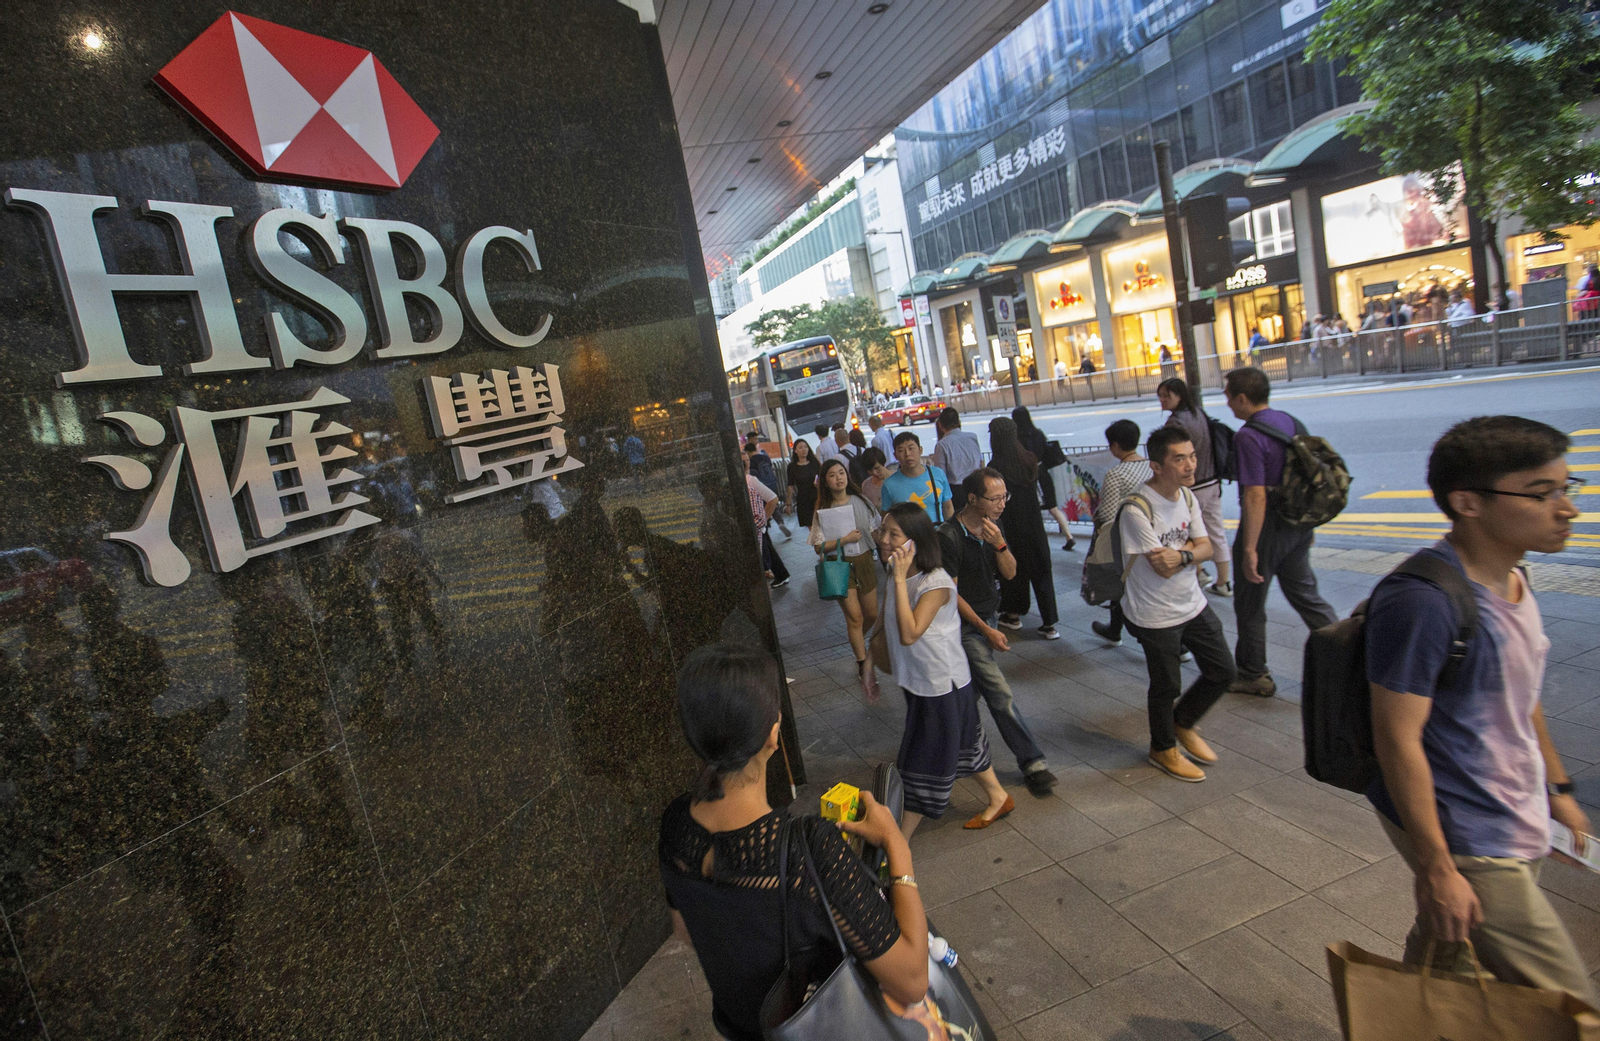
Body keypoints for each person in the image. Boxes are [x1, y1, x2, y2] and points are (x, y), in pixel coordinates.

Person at [1366, 416, 1595, 1003]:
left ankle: (1400, 1015)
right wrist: (1438, 869)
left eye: (1569, 489)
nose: (1566, 508)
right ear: (1467, 502)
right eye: (1542, 494)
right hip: (1470, 832)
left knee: (1446, 954)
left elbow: (1523, 694)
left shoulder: (1513, 575)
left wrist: (1558, 790)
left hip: (1516, 810)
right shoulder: (1423, 602)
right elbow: (1397, 739)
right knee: (1571, 1009)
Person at [659, 644, 934, 1041]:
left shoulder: (675, 827)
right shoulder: (808, 850)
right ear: (773, 736)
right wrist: (897, 845)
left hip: (743, 1027)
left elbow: (685, 931)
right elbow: (912, 982)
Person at [879, 502, 1014, 837]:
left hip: (941, 684)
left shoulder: (934, 583)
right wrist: (869, 663)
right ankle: (998, 796)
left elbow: (909, 633)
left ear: (916, 541)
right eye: (882, 531)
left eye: (893, 534)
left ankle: (899, 841)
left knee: (924, 760)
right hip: (924, 680)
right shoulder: (900, 572)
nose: (883, 539)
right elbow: (886, 624)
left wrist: (897, 580)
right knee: (965, 740)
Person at [1119, 427, 1236, 782]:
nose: (1190, 465)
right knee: (1166, 685)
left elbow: (1209, 549)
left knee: (1223, 671)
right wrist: (1190, 552)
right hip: (1154, 612)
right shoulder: (1136, 508)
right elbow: (1163, 566)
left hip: (1192, 602)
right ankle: (1162, 748)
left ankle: (1183, 722)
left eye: (1192, 456)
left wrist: (1183, 554)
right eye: (1179, 458)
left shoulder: (1186, 497)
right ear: (1156, 465)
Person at [939, 468, 1059, 797]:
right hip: (966, 626)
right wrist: (985, 631)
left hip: (989, 617)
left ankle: (945, 750)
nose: (1002, 504)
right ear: (973, 499)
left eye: (1004, 496)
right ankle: (1033, 763)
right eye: (995, 498)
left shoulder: (994, 526)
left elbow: (1010, 573)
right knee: (999, 693)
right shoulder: (948, 536)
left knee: (966, 696)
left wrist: (1000, 545)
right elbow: (951, 595)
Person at [1224, 367, 1337, 697]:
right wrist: (1308, 527)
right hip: (1297, 524)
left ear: (1243, 398)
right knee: (1305, 594)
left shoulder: (1247, 436)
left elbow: (1255, 494)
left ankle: (1252, 673)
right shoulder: (1290, 421)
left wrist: (1249, 548)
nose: (1228, 404)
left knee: (1250, 602)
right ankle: (1349, 650)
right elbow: (1308, 477)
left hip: (1267, 526)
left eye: (1230, 397)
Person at [809, 459, 881, 701]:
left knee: (871, 614)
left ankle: (858, 640)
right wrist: (844, 540)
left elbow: (875, 529)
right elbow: (818, 545)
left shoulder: (861, 500)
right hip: (838, 565)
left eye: (841, 473)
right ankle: (863, 663)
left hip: (864, 561)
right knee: (855, 617)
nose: (838, 478)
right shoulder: (823, 506)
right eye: (832, 474)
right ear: (825, 480)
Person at [989, 417, 1060, 640]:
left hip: (1010, 525)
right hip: (1034, 524)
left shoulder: (995, 467)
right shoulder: (1029, 458)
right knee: (1041, 569)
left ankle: (1013, 615)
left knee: (1012, 570)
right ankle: (1049, 624)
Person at [1157, 378, 1230, 596]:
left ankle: (1199, 572)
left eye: (1166, 396)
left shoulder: (1175, 423)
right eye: (1160, 396)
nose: (1162, 400)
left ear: (1178, 395)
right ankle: (1224, 582)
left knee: (1187, 532)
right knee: (1216, 532)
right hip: (1212, 481)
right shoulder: (1199, 413)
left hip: (1192, 486)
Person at [1091, 420, 1150, 647]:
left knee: (1123, 583)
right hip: (1153, 534)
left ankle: (1120, 631)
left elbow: (1107, 513)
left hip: (1126, 539)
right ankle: (1114, 629)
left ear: (1115, 446)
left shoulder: (1116, 473)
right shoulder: (1150, 466)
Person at [1012, 406, 1076, 551]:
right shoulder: (1038, 433)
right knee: (1053, 507)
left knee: (1031, 508)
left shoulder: (1017, 437)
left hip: (1028, 474)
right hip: (1042, 472)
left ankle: (1036, 539)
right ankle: (1069, 536)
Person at [879, 431, 954, 522]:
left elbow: (948, 507)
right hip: (908, 535)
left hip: (937, 533)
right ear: (895, 456)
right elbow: (886, 517)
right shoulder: (889, 484)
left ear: (920, 450)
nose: (907, 454)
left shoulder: (937, 474)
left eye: (911, 448)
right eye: (901, 450)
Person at [743, 449, 788, 589]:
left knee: (766, 550)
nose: (747, 464)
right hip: (759, 523)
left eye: (747, 460)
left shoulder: (750, 480)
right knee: (768, 548)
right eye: (744, 462)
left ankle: (780, 575)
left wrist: (763, 519)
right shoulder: (747, 479)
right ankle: (781, 575)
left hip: (758, 523)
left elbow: (773, 499)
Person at [930, 407, 982, 512]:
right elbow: (980, 462)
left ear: (940, 425)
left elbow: (941, 475)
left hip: (956, 492)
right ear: (958, 422)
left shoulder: (942, 445)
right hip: (977, 486)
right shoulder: (973, 437)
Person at [745, 440, 789, 538]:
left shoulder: (751, 462)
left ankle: (766, 526)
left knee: (763, 507)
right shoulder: (765, 457)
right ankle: (780, 522)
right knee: (773, 504)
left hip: (761, 486)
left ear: (747, 452)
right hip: (772, 484)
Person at [785, 438, 821, 528]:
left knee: (821, 525)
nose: (804, 449)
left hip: (816, 497)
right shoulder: (792, 467)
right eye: (800, 447)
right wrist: (788, 504)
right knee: (811, 528)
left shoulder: (814, 463)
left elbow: (822, 477)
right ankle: (816, 543)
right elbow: (790, 485)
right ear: (795, 451)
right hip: (803, 500)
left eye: (805, 447)